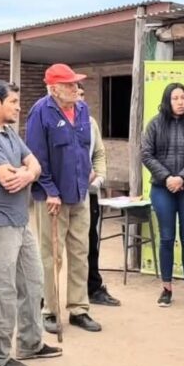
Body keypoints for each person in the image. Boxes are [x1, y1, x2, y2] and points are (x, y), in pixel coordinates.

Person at [0, 80, 62, 366]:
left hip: (19, 221)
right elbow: (8, 180)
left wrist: (28, 173)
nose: (19, 107)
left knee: (33, 283)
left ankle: (30, 343)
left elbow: (34, 164)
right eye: (13, 102)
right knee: (2, 290)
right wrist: (26, 173)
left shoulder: (7, 132)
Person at [25, 63, 100, 334]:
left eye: (75, 84)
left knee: (80, 252)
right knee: (51, 256)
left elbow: (83, 149)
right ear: (54, 88)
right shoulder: (40, 112)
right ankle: (50, 310)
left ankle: (79, 309)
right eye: (69, 84)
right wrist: (49, 191)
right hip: (52, 199)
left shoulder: (82, 109)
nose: (75, 88)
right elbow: (35, 157)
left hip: (80, 193)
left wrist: (88, 172)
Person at [141, 82, 184, 307]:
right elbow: (147, 154)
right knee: (167, 238)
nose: (180, 102)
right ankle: (166, 288)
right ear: (167, 101)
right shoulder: (155, 124)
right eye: (175, 98)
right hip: (163, 189)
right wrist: (168, 178)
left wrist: (182, 178)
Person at [77, 84, 120, 307]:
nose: (81, 99)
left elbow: (99, 153)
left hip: (89, 193)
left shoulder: (91, 123)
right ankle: (47, 298)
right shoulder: (56, 122)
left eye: (83, 94)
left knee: (90, 243)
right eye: (77, 94)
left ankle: (93, 288)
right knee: (55, 251)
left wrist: (99, 179)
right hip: (62, 195)